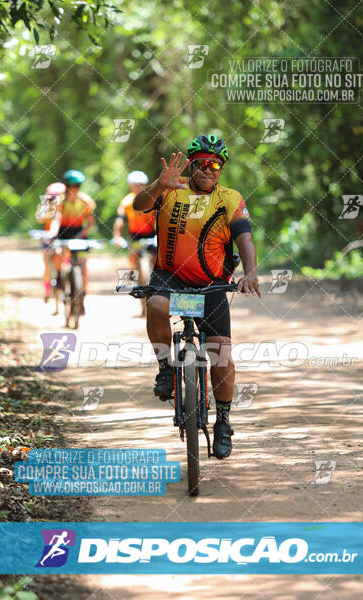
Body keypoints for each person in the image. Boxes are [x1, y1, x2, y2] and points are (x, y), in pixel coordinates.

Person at [133, 134, 261, 460]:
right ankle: (165, 368)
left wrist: (251, 271)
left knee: (221, 356)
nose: (208, 169)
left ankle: (223, 422)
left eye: (214, 165)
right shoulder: (170, 191)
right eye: (201, 163)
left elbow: (244, 235)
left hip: (212, 283)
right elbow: (139, 206)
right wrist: (159, 185)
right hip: (169, 276)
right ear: (191, 165)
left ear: (221, 169)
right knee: (156, 304)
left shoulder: (229, 198)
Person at [47, 170, 96, 314]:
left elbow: (90, 222)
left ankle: (82, 296)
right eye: (71, 185)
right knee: (57, 255)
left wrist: (82, 234)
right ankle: (57, 279)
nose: (75, 188)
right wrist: (52, 234)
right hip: (62, 233)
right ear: (66, 186)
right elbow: (56, 218)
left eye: (77, 185)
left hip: (79, 234)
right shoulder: (59, 200)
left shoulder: (86, 201)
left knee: (83, 265)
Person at [113, 170, 157, 315]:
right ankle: (133, 274)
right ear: (130, 186)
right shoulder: (126, 202)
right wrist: (117, 236)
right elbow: (120, 220)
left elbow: (159, 218)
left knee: (157, 259)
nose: (138, 187)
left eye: (141, 185)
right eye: (135, 185)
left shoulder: (152, 199)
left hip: (152, 234)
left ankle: (156, 277)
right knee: (132, 257)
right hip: (135, 236)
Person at [35, 182, 66, 302]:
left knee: (63, 258)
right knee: (47, 263)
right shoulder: (47, 203)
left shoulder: (67, 204)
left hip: (63, 237)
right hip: (48, 237)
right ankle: (47, 289)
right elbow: (40, 219)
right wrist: (46, 206)